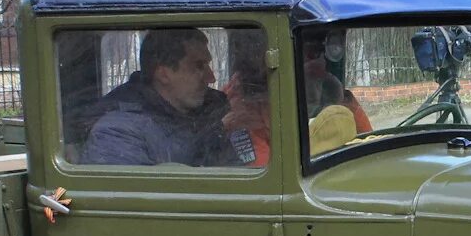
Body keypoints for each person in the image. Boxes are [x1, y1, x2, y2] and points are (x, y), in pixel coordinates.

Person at [84, 28, 240, 166]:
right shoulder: (116, 134)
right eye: (198, 66)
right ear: (164, 74)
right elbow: (139, 196)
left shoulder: (211, 112)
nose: (211, 78)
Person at [222, 30, 372, 166]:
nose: (317, 61)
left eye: (318, 53)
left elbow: (369, 143)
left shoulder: (326, 89)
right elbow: (271, 173)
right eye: (306, 53)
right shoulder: (240, 107)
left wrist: (340, 99)